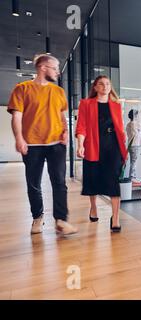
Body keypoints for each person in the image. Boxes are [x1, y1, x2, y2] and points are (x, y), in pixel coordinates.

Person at [7, 54, 78, 235]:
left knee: (59, 183)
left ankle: (61, 220)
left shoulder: (59, 92)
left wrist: (65, 132)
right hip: (32, 144)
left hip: (56, 144)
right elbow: (17, 116)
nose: (57, 72)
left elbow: (62, 116)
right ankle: (37, 217)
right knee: (34, 183)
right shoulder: (22, 88)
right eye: (55, 68)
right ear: (43, 68)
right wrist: (19, 138)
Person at [75, 76, 127, 232]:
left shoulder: (116, 106)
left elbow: (119, 127)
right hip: (93, 145)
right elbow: (81, 126)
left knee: (113, 180)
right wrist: (80, 145)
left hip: (113, 146)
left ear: (110, 87)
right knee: (93, 178)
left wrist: (123, 140)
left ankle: (115, 218)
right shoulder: (86, 104)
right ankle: (93, 207)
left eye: (107, 84)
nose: (105, 86)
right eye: (101, 84)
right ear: (95, 87)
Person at [126, 109, 141, 183]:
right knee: (134, 161)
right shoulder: (135, 124)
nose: (137, 116)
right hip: (135, 145)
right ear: (135, 116)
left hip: (131, 145)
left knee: (133, 161)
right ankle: (132, 177)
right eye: (137, 115)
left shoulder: (129, 124)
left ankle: (132, 176)